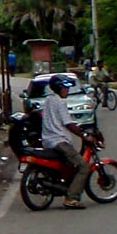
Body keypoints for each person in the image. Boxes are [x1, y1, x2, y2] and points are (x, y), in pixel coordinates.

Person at [41, 73, 89, 209]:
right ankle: (72, 198)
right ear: (59, 88)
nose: (67, 90)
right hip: (59, 141)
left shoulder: (49, 100)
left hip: (48, 141)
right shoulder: (60, 102)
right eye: (65, 88)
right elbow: (68, 124)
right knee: (83, 166)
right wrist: (84, 136)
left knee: (69, 164)